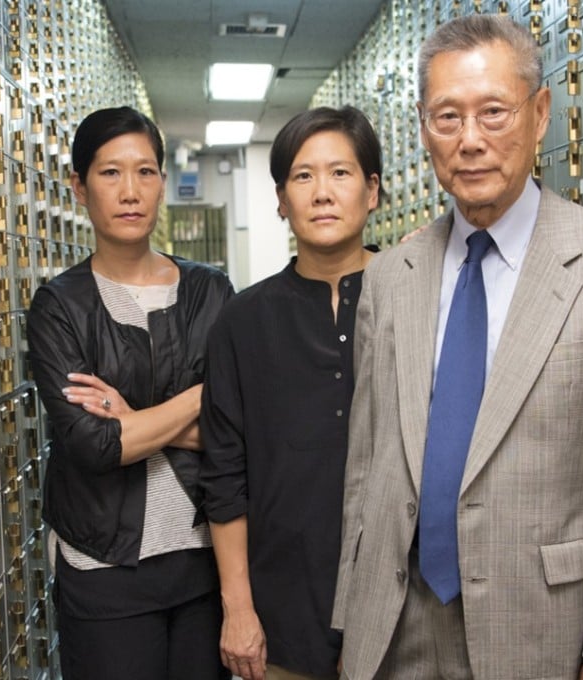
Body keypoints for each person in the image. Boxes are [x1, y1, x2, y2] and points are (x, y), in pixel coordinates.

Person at [332, 15, 583, 680]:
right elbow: (366, 468)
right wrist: (349, 615)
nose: (470, 141)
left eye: (493, 112)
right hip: (394, 625)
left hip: (539, 627)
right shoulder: (389, 278)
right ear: (423, 129)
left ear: (539, 116)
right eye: (447, 117)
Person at [26, 106, 232, 680]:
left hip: (204, 560)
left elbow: (238, 430)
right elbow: (94, 445)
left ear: (162, 183)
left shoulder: (211, 292)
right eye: (110, 173)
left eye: (145, 172)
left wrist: (133, 418)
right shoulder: (60, 306)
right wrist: (200, 397)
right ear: (79, 186)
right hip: (104, 566)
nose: (130, 191)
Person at [199, 106, 383, 680]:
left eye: (341, 173)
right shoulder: (243, 320)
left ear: (372, 190)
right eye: (303, 177)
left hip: (405, 614)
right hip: (282, 617)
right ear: (281, 199)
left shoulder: (418, 299)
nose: (322, 193)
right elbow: (224, 473)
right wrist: (238, 610)